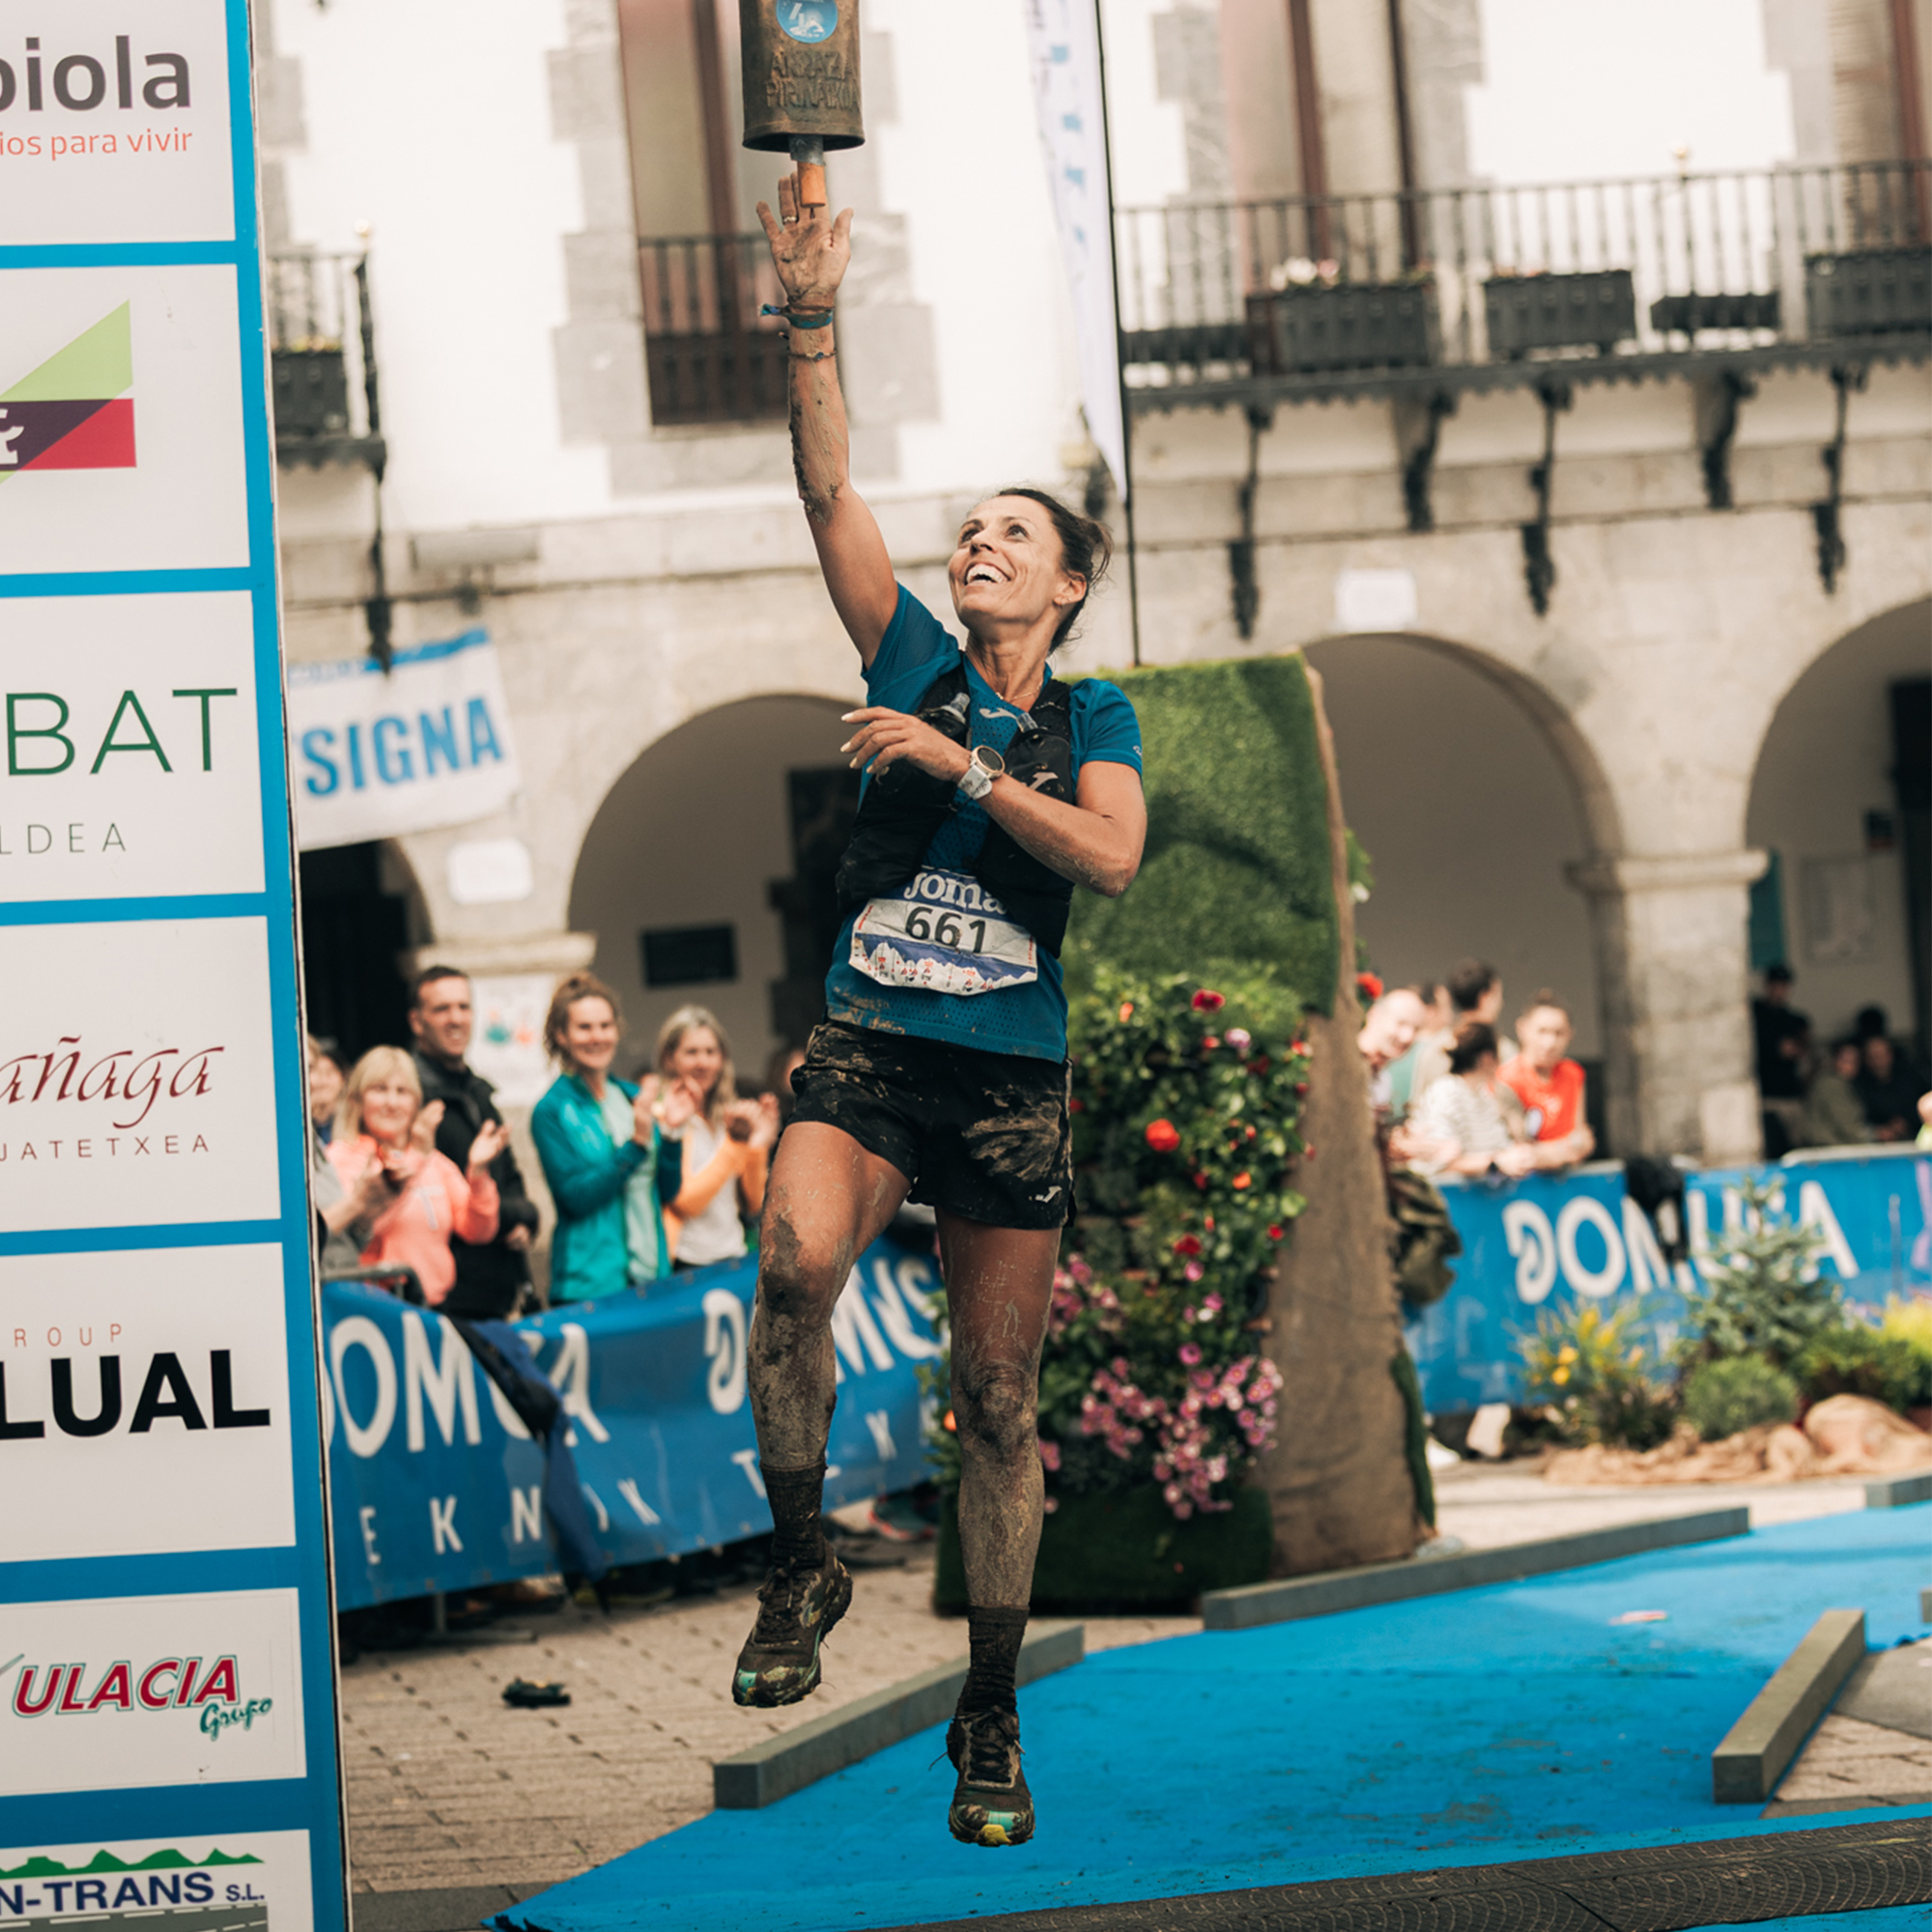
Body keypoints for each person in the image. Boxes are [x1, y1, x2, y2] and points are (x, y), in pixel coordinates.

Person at [723, 162, 1147, 1849]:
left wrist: (963, 768)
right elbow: (830, 488)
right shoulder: (906, 654)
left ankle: (990, 1712)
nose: (978, 540)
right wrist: (810, 315)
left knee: (999, 1399)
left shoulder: (1090, 715)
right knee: (790, 1267)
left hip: (1009, 1083)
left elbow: (1110, 857)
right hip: (871, 1052)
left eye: (1011, 534)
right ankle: (801, 1561)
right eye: (969, 527)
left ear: (1064, 587)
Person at [529, 973, 721, 1302]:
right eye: (584, 1027)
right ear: (561, 1035)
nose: (597, 1037)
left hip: (652, 1277)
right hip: (590, 1285)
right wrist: (635, 1146)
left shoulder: (633, 1096)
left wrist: (672, 1134)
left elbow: (667, 1191)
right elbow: (575, 1198)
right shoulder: (551, 1110)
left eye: (605, 1026)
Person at [409, 967, 544, 1321]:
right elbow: (445, 1204)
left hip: (498, 1292)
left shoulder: (479, 1092)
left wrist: (525, 1222)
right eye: (442, 1009)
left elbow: (509, 1175)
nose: (456, 1019)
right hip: (447, 1301)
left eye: (464, 1007)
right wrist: (520, 1214)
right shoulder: (410, 1098)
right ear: (417, 1022)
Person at [327, 1048, 505, 1307]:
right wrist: (415, 1160)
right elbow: (360, 1231)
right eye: (380, 1089)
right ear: (357, 1099)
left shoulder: (434, 1161)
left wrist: (478, 1174)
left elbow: (479, 1231)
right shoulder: (341, 1157)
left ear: (416, 1103)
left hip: (433, 1308)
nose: (392, 1102)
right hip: (373, 1308)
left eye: (402, 1092)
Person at [654, 1007, 780, 1272]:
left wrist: (757, 1144)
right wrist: (736, 1144)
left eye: (711, 1052)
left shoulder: (727, 1116)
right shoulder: (663, 1116)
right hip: (687, 1261)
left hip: (733, 1252)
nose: (703, 1062)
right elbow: (685, 1202)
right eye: (691, 1052)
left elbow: (753, 1203)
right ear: (669, 1058)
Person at [1410, 1023, 1537, 1179]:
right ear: (1487, 1058)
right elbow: (1437, 1164)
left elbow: (1499, 1147)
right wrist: (1495, 1163)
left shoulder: (1484, 1095)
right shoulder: (1445, 1093)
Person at [1499, 993, 1596, 1170]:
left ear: (1570, 1034)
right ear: (1522, 1029)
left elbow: (1584, 1140)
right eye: (1542, 1031)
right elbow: (1517, 1152)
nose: (1550, 1042)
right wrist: (1566, 1148)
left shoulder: (1573, 1073)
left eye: (1559, 1033)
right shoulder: (1505, 1078)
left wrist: (1547, 1153)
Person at [1409, 959, 1517, 1101]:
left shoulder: (1435, 1049)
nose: (1501, 1002)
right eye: (1498, 995)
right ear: (1485, 997)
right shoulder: (1504, 1052)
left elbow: (1419, 1104)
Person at [1752, 965, 1812, 1156]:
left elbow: (1804, 1051)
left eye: (1783, 986)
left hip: (1791, 1094)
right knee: (1771, 1147)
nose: (1779, 990)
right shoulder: (1755, 1016)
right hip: (1766, 1094)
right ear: (1767, 985)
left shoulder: (1794, 1020)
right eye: (1775, 985)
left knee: (1798, 1146)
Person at [1803, 1038, 1873, 1148]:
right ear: (1834, 1060)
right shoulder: (1831, 1084)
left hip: (1838, 1146)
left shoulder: (1848, 1084)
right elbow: (1847, 1126)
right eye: (1845, 1060)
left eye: (1855, 1061)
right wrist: (1875, 1137)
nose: (1851, 1065)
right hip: (1827, 1148)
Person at [1856, 1033, 1919, 1143]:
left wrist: (1907, 1121)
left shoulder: (1911, 1077)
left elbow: (1923, 1105)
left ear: (1890, 1054)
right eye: (1873, 1056)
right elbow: (1858, 1118)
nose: (1878, 1061)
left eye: (1881, 1055)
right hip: (1875, 1143)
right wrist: (1879, 1130)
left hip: (1914, 1137)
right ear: (1866, 1059)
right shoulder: (1857, 1084)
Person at [308, 1038, 345, 1147]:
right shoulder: (303, 1123)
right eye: (318, 1073)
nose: (322, 1081)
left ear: (343, 1077)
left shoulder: (354, 1122)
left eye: (329, 1073)